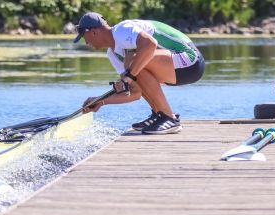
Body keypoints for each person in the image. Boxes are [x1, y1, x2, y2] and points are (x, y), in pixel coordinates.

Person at [74, 12, 205, 134]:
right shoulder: (112, 53)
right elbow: (135, 93)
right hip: (175, 69)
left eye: (84, 37)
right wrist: (101, 101)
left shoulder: (121, 30)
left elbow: (150, 44)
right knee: (132, 68)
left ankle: (169, 118)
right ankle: (159, 114)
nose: (86, 42)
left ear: (94, 32)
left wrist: (128, 77)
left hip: (191, 61)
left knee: (132, 64)